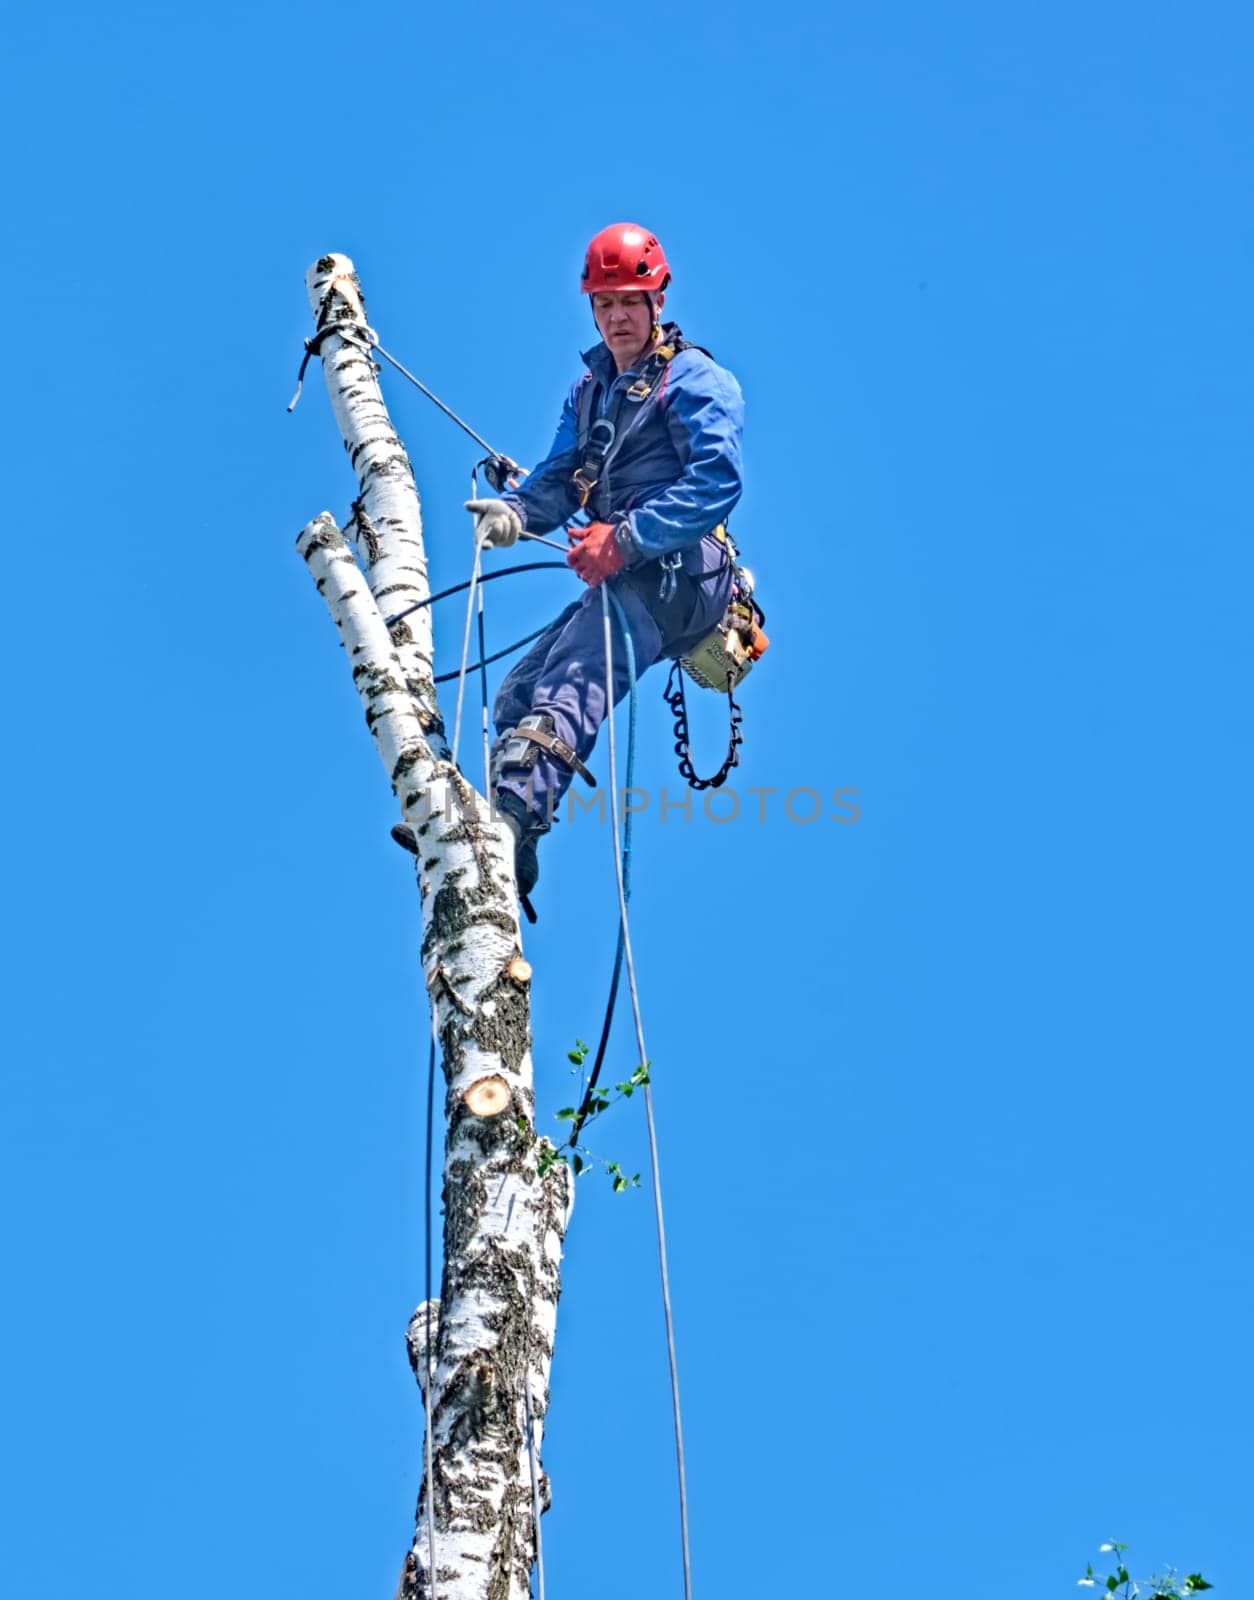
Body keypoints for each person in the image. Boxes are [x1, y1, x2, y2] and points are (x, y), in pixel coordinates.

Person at [398, 223, 745, 908]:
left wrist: (623, 540)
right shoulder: (590, 390)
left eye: (629, 301)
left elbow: (717, 481)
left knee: (574, 678)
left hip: (680, 574)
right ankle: (507, 839)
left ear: (657, 299)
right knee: (516, 698)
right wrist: (518, 515)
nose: (616, 317)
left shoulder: (695, 381)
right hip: (631, 575)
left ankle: (509, 819)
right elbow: (562, 475)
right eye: (604, 303)